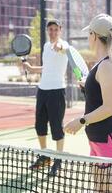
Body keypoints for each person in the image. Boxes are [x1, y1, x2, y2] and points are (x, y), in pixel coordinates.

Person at [64, 14, 112, 192]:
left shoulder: (106, 66)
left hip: (110, 141)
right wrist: (88, 87)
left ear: (93, 35)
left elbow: (109, 107)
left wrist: (81, 121)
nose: (87, 37)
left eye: (89, 33)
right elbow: (99, 98)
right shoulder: (100, 65)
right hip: (97, 141)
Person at [23, 19, 69, 176]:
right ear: (47, 31)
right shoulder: (45, 47)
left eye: (56, 29)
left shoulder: (64, 45)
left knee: (56, 127)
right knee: (40, 125)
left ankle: (58, 159)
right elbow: (47, 68)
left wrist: (59, 46)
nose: (53, 32)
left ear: (60, 30)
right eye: (50, 29)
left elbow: (62, 49)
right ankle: (45, 156)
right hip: (42, 90)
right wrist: (32, 68)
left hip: (57, 91)